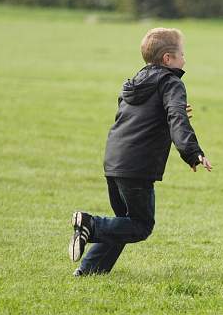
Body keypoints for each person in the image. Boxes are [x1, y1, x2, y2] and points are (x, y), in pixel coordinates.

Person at [68, 27, 213, 276]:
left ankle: (90, 269)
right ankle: (90, 224)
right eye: (182, 54)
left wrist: (167, 114)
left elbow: (145, 116)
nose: (185, 59)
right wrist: (192, 151)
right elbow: (176, 116)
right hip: (137, 166)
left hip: (114, 160)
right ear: (168, 59)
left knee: (123, 221)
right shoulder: (171, 82)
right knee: (140, 225)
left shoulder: (135, 82)